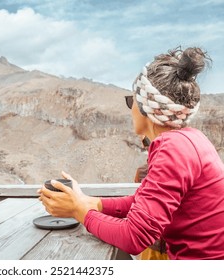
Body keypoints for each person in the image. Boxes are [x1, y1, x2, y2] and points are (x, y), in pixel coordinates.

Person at [38, 47, 224, 260]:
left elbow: (134, 237)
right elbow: (141, 201)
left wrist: (78, 211)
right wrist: (88, 202)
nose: (131, 108)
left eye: (131, 100)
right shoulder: (189, 140)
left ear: (146, 108)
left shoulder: (173, 149)